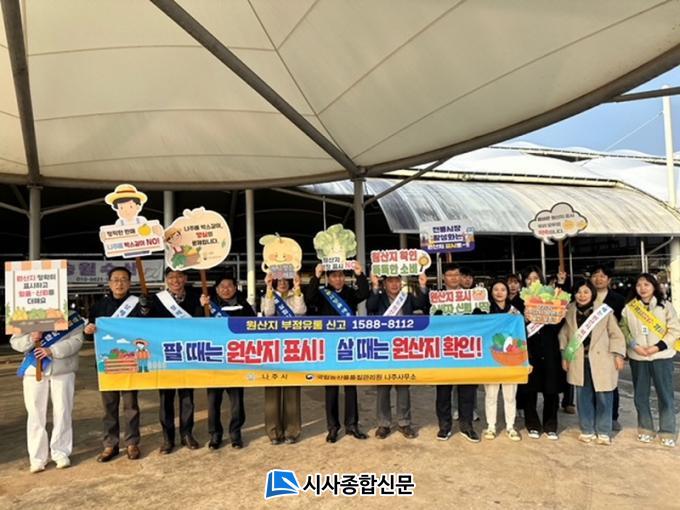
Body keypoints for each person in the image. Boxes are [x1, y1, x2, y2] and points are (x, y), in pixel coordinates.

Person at [305, 261, 370, 443]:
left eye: (341, 275)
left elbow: (364, 293)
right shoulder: (322, 293)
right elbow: (309, 298)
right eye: (334, 276)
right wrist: (316, 276)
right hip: (329, 347)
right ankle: (333, 427)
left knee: (350, 386)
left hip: (347, 346)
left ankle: (352, 425)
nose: (338, 279)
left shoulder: (350, 293)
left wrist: (359, 274)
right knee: (331, 388)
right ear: (328, 278)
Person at [11, 312, 84, 472]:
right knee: (35, 414)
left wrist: (52, 350)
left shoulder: (71, 316)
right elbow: (15, 342)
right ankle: (37, 458)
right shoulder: (25, 314)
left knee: (63, 411)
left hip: (63, 369)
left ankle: (61, 452)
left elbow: (77, 341)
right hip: (33, 371)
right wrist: (31, 338)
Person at [84, 267, 144, 462]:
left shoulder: (138, 304)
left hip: (131, 362)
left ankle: (132, 442)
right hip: (107, 363)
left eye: (124, 279)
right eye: (116, 279)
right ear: (109, 283)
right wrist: (88, 331)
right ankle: (110, 444)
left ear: (129, 283)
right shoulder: (99, 307)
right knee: (109, 406)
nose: (119, 283)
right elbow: (89, 336)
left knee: (131, 405)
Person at [559, 280, 626, 445]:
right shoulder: (569, 311)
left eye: (586, 292)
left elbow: (615, 334)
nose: (581, 295)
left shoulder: (604, 311)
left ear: (592, 294)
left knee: (604, 396)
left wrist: (618, 354)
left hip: (602, 359)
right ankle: (587, 429)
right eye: (578, 292)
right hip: (579, 360)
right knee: (583, 396)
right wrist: (564, 356)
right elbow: (564, 335)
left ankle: (604, 431)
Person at [620, 273, 680, 448]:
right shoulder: (629, 307)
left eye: (646, 284)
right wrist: (634, 346)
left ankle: (667, 431)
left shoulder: (665, 306)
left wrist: (657, 347)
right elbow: (623, 328)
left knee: (665, 395)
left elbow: (675, 330)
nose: (642, 288)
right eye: (639, 285)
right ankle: (645, 429)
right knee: (640, 395)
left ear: (654, 287)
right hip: (638, 357)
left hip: (661, 356)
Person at [367, 272, 428, 440]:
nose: (394, 284)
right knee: (383, 387)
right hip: (383, 347)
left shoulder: (406, 297)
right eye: (390, 281)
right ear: (384, 283)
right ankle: (383, 424)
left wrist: (423, 285)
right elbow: (370, 306)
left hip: (402, 347)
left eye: (397, 281)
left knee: (403, 386)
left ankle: (404, 423)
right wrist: (374, 286)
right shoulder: (379, 297)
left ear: (401, 282)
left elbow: (421, 303)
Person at [424, 263, 480, 442]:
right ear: (444, 278)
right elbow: (427, 316)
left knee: (467, 390)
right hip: (444, 349)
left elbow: (482, 317)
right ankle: (444, 426)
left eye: (457, 275)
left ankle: (467, 426)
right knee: (443, 391)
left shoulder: (472, 297)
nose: (454, 278)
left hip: (466, 348)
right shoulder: (435, 297)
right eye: (450, 275)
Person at [199, 273, 255, 450]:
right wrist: (201, 308)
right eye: (222, 286)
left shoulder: (244, 305)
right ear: (216, 289)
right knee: (213, 402)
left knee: (236, 401)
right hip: (214, 359)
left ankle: (235, 434)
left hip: (235, 360)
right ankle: (215, 434)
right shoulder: (208, 306)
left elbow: (253, 327)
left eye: (229, 286)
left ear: (235, 288)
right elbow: (195, 326)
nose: (226, 289)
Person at [149, 268, 202, 454]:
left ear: (185, 278)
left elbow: (203, 323)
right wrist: (144, 308)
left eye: (179, 276)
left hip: (188, 354)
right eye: (171, 277)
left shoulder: (197, 297)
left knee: (187, 397)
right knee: (166, 399)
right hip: (165, 354)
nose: (175, 280)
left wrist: (204, 307)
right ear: (166, 280)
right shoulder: (156, 299)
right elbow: (146, 323)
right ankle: (168, 438)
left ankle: (187, 434)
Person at [261, 272, 306, 445]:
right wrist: (269, 288)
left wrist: (297, 288)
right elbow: (268, 312)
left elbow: (300, 311)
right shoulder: (268, 295)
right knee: (272, 391)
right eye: (278, 280)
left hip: (292, 348)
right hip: (272, 348)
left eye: (285, 280)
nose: (282, 283)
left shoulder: (296, 295)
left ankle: (292, 431)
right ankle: (274, 432)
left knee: (292, 390)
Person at [522, 266, 564, 440]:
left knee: (551, 389)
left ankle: (550, 425)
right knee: (529, 389)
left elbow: (559, 324)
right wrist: (524, 320)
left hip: (549, 348)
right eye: (529, 279)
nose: (532, 282)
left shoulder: (550, 298)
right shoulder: (519, 301)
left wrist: (556, 315)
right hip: (528, 351)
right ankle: (532, 423)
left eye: (535, 278)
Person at [482, 280, 522, 442]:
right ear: (491, 292)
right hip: (490, 358)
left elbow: (521, 332)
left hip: (510, 358)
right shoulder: (484, 310)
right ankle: (491, 426)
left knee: (510, 395)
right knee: (491, 395)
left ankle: (510, 426)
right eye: (496, 289)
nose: (499, 292)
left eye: (503, 289)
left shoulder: (515, 312)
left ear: (507, 292)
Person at [589, 264, 626, 431]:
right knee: (591, 384)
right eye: (595, 275)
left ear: (609, 280)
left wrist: (620, 352)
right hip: (589, 348)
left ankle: (612, 416)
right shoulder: (585, 296)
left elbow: (622, 325)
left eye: (602, 276)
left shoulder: (618, 299)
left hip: (608, 347)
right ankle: (594, 417)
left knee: (610, 383)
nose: (598, 279)